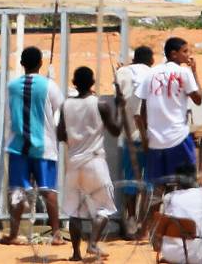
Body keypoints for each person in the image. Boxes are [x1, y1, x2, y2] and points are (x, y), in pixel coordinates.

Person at [57, 67, 123, 261]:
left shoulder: (65, 105)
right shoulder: (101, 105)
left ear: (74, 83)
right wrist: (119, 106)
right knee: (104, 208)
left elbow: (60, 135)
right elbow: (116, 130)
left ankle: (76, 253)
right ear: (93, 83)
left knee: (74, 211)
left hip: (74, 163)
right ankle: (93, 243)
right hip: (95, 162)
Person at [2, 47, 65, 245]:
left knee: (18, 191)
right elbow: (61, 110)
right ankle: (56, 234)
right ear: (40, 63)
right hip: (44, 145)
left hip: (18, 146)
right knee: (48, 191)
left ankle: (13, 234)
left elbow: (9, 114)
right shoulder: (49, 86)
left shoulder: (11, 86)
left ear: (22, 63)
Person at [136, 38, 202, 190]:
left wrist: (146, 137)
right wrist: (195, 72)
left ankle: (155, 214)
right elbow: (198, 99)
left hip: (155, 141)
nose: (189, 55)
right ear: (173, 54)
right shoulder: (184, 72)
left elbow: (143, 110)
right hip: (178, 138)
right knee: (186, 185)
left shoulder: (151, 73)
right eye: (185, 51)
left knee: (158, 190)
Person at [114, 45, 154, 237]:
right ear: (150, 60)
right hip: (150, 136)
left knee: (130, 179)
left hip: (128, 135)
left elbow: (118, 99)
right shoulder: (154, 73)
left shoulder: (122, 72)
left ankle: (130, 218)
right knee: (149, 181)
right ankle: (143, 223)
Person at [157, 164, 202, 264]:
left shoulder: (168, 197)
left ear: (177, 180)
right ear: (195, 178)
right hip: (195, 257)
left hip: (169, 253)